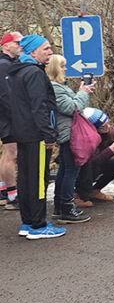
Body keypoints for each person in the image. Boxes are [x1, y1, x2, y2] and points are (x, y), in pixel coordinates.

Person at [9, 34, 65, 239]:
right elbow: (39, 106)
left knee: (24, 178)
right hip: (36, 135)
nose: (50, 52)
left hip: (22, 132)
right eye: (46, 49)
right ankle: (38, 225)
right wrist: (48, 133)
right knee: (38, 181)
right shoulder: (33, 73)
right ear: (32, 52)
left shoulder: (16, 72)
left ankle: (28, 222)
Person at [46, 54, 93, 222]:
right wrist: (82, 93)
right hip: (68, 134)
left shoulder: (59, 86)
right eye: (63, 66)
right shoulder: (55, 87)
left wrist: (81, 94)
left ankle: (60, 206)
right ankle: (66, 207)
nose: (66, 69)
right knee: (70, 171)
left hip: (68, 132)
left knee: (65, 170)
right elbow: (72, 107)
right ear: (56, 69)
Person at [77, 108, 114, 204]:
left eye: (108, 123)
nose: (108, 127)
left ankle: (95, 190)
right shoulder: (87, 137)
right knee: (92, 167)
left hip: (100, 161)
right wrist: (111, 149)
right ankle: (77, 194)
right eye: (103, 127)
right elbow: (93, 161)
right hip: (84, 166)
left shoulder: (110, 130)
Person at [0, 31, 21, 210]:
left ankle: (3, 190)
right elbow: (7, 95)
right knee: (12, 154)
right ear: (6, 45)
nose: (20, 45)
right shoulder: (4, 65)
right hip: (8, 116)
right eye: (17, 42)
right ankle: (12, 197)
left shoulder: (10, 64)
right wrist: (17, 116)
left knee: (7, 154)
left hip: (7, 116)